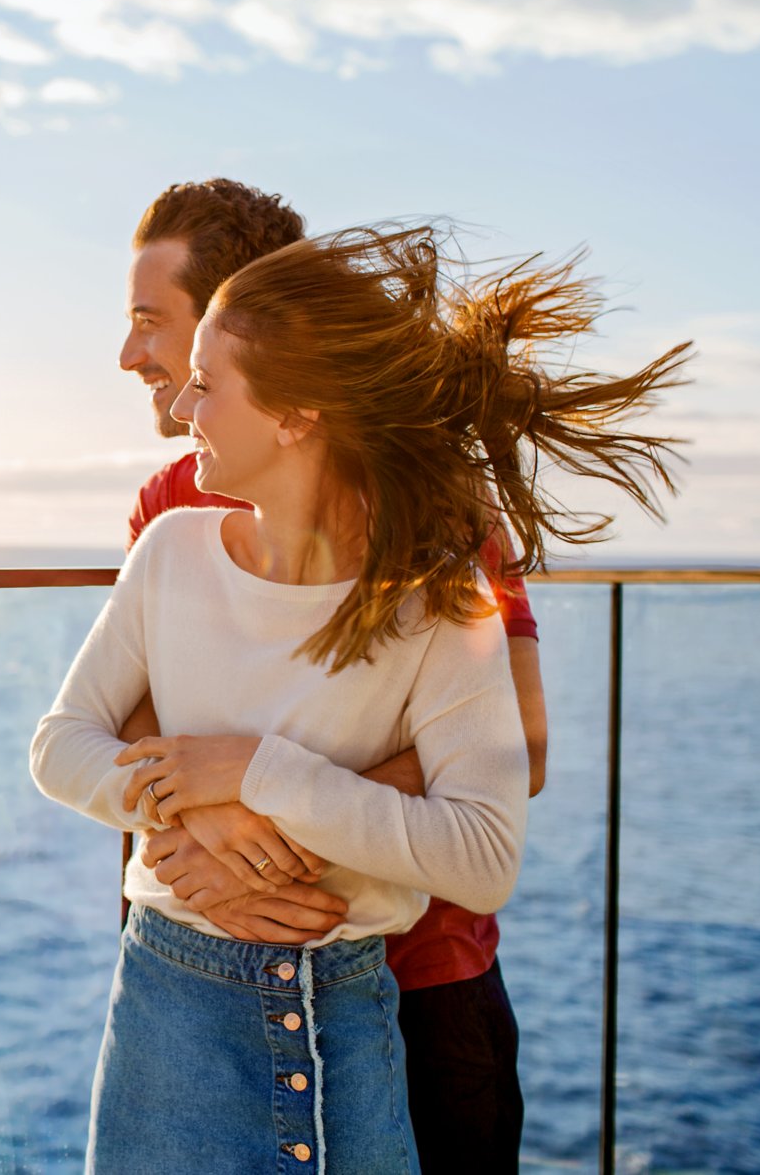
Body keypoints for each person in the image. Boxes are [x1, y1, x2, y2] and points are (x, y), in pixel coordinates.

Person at [30, 224, 688, 1171]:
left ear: (295, 411)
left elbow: (491, 833)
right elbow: (69, 743)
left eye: (204, 380)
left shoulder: (439, 577)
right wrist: (205, 817)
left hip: (366, 1004)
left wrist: (261, 782)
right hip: (172, 1002)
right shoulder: (170, 539)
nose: (178, 402)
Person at [115, 180, 547, 1172]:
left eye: (151, 321)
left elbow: (520, 742)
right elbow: (133, 732)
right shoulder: (170, 514)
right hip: (200, 987)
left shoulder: (426, 495)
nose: (132, 355)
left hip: (407, 996)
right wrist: (200, 832)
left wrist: (258, 817)